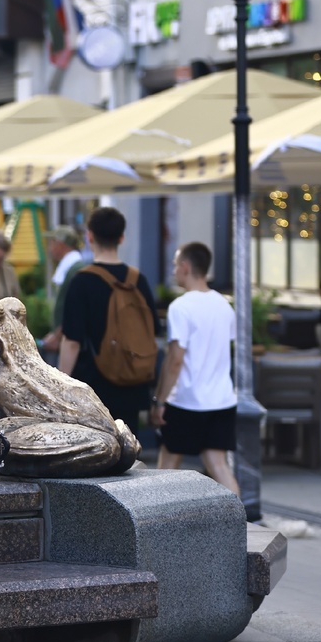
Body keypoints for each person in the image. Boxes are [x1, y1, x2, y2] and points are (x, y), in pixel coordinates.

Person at [150, 243, 239, 496]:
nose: (174, 270)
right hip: (221, 400)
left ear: (186, 267)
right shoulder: (225, 306)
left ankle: (158, 528)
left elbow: (175, 359)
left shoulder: (181, 307)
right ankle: (240, 527)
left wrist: (159, 401)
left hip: (186, 401)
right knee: (219, 467)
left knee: (166, 469)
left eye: (176, 265)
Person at [58, 207, 158, 426]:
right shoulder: (138, 280)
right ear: (122, 238)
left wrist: (61, 387)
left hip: (93, 387)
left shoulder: (81, 281)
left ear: (90, 236)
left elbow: (72, 341)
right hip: (133, 383)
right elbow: (153, 330)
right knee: (129, 453)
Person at [41, 227, 89, 357]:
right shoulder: (71, 266)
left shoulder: (75, 270)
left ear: (60, 244)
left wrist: (57, 336)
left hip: (71, 341)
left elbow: (74, 309)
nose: (50, 247)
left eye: (52, 242)